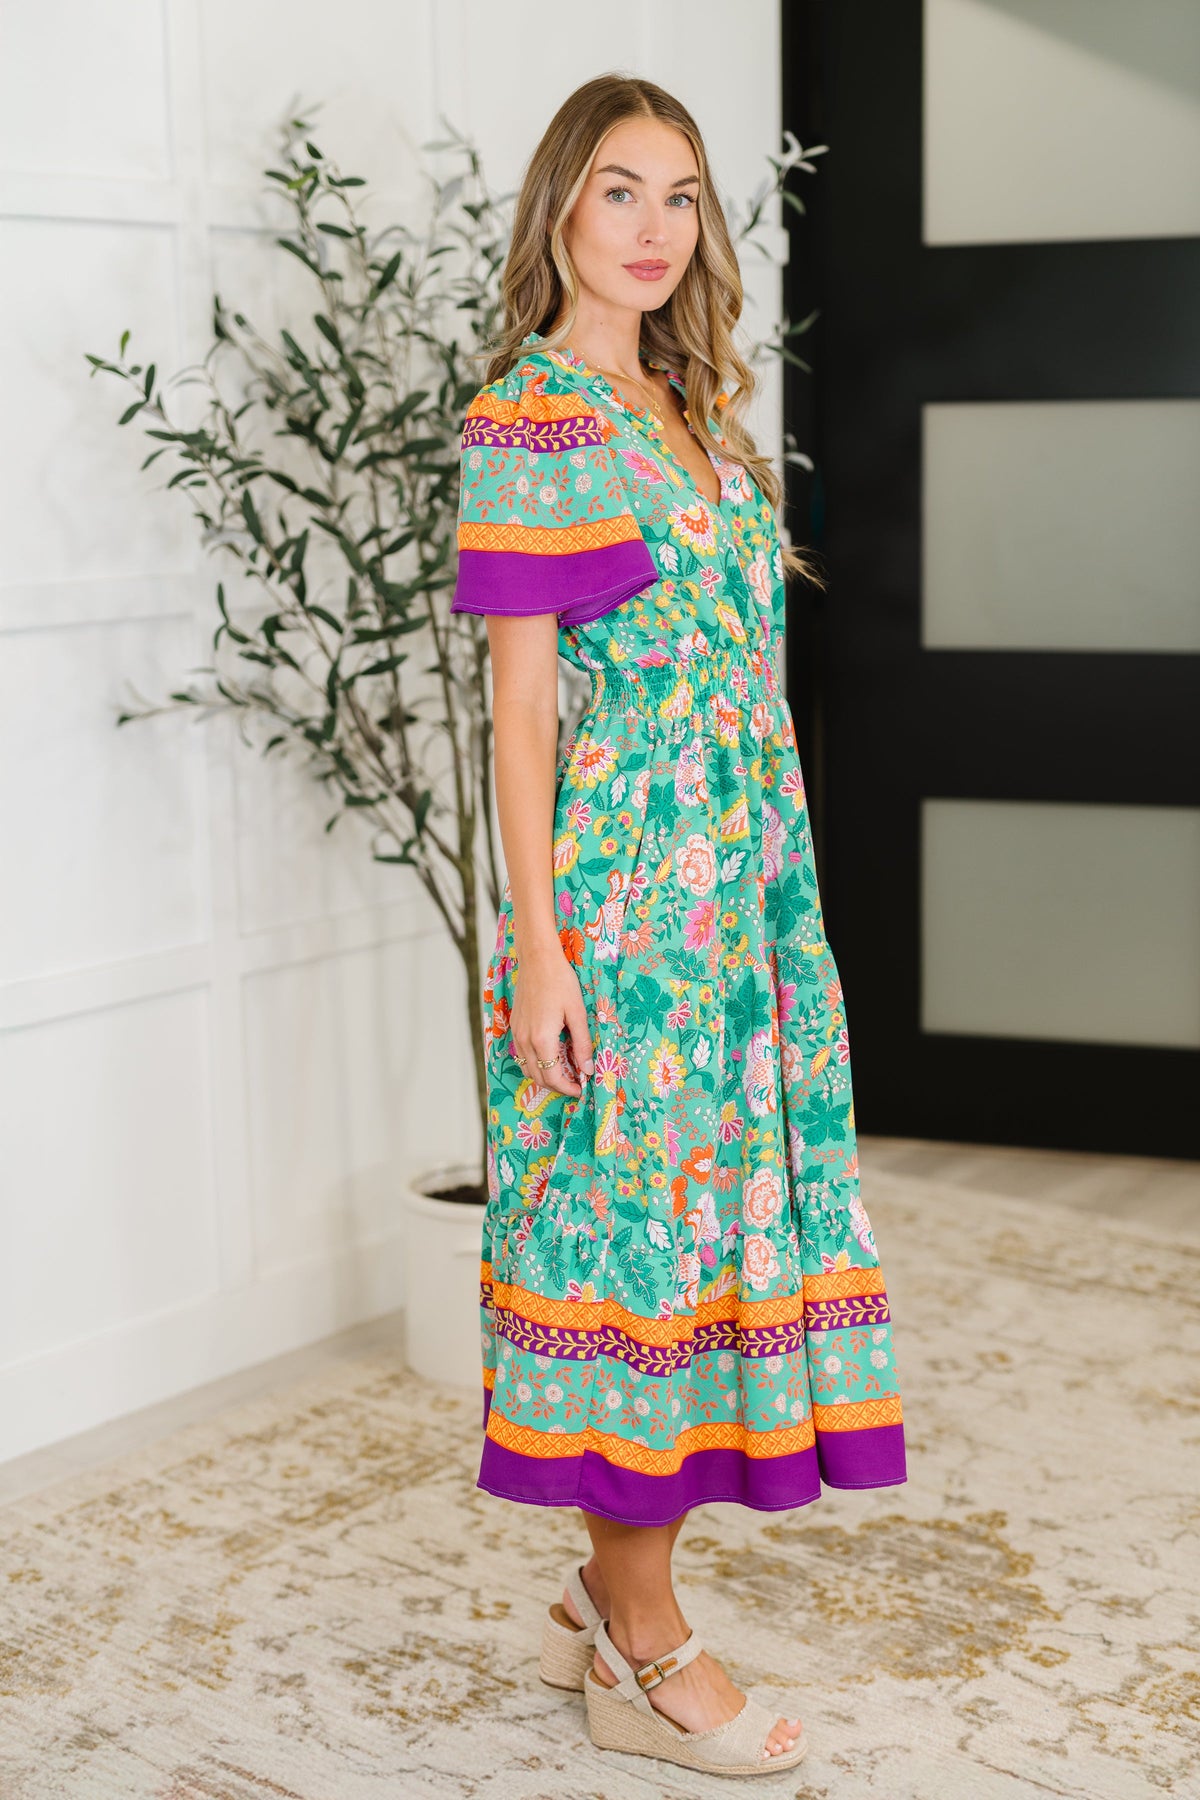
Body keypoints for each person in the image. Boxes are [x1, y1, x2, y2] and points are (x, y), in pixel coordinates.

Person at [449, 73, 906, 1777]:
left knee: (718, 1245)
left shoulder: (698, 411)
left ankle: (603, 1594)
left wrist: (774, 907)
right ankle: (642, 1648)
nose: (654, 229)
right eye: (620, 191)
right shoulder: (533, 421)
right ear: (562, 208)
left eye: (683, 196)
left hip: (747, 895)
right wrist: (543, 949)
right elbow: (522, 717)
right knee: (637, 1242)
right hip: (633, 906)